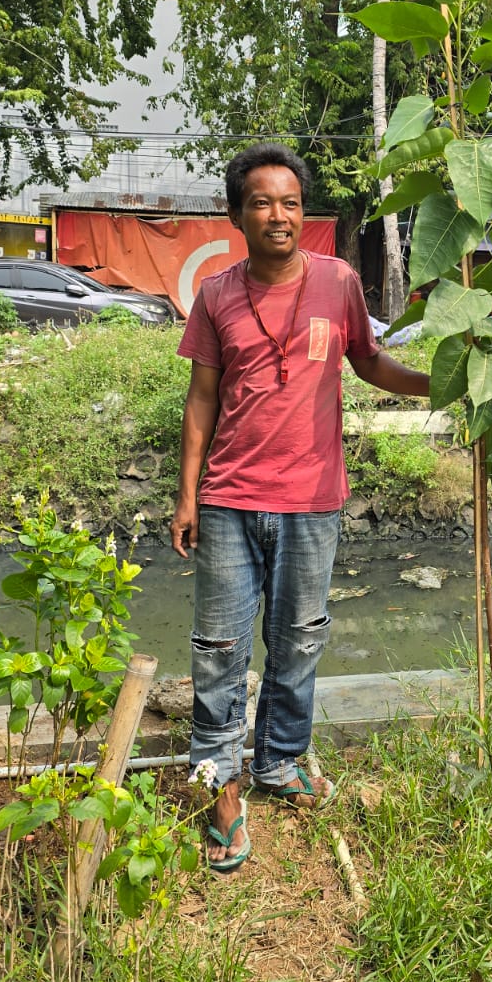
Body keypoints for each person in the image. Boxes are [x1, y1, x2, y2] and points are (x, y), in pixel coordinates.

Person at [171, 143, 430, 871]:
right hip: (227, 497)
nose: (277, 214)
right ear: (237, 215)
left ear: (301, 212)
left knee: (299, 640)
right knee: (218, 649)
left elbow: (370, 363)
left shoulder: (340, 282)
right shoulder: (217, 294)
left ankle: (281, 762)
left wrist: (443, 387)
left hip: (313, 499)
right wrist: (186, 495)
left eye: (289, 202)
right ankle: (219, 783)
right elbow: (201, 400)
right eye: (261, 202)